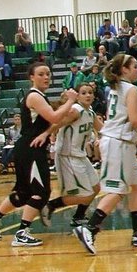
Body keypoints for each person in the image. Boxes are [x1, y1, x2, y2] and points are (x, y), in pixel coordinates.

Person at [72, 53, 137, 255]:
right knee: (118, 191)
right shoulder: (131, 89)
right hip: (117, 144)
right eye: (134, 66)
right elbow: (134, 119)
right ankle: (89, 228)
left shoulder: (115, 87)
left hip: (121, 141)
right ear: (124, 70)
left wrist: (134, 134)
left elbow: (123, 119)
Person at [0, 62, 79, 247]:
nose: (47, 77)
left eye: (48, 73)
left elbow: (52, 122)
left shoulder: (40, 96)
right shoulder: (34, 96)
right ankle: (22, 232)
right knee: (41, 193)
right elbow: (54, 117)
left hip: (29, 148)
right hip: (30, 149)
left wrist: (59, 123)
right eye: (41, 74)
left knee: (25, 193)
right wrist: (71, 101)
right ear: (31, 77)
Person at [42, 83, 102, 230]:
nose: (88, 95)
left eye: (90, 92)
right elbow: (57, 123)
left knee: (96, 188)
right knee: (85, 194)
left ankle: (78, 217)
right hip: (68, 156)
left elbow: (104, 129)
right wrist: (45, 134)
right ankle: (50, 205)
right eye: (83, 93)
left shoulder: (91, 113)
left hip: (80, 156)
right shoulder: (76, 110)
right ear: (77, 96)